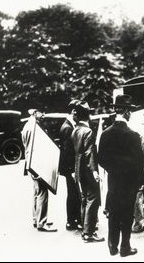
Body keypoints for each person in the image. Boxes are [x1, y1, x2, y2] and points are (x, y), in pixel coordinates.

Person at [98, 94, 144, 257]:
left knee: (113, 212)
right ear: (127, 113)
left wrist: (114, 169)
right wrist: (139, 180)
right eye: (130, 111)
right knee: (127, 214)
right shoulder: (133, 135)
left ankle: (112, 246)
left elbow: (101, 159)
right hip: (129, 183)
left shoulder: (106, 134)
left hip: (113, 181)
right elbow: (140, 162)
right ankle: (125, 247)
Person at [71, 101, 105, 243]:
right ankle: (89, 233)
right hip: (88, 170)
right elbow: (89, 153)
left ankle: (85, 231)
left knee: (85, 200)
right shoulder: (88, 131)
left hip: (79, 169)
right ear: (88, 116)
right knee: (93, 199)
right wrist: (94, 172)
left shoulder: (75, 130)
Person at [22, 108, 57, 232]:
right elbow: (34, 149)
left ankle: (36, 219)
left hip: (31, 164)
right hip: (36, 165)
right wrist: (37, 168)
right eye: (42, 112)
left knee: (37, 193)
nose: (44, 115)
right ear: (35, 113)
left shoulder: (28, 125)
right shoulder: (34, 128)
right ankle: (42, 222)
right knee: (42, 192)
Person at [59, 99, 82, 231]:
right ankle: (72, 220)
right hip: (70, 168)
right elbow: (68, 152)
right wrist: (72, 169)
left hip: (69, 168)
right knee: (73, 194)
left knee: (72, 193)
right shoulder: (68, 127)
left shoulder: (67, 125)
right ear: (74, 111)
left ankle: (71, 220)